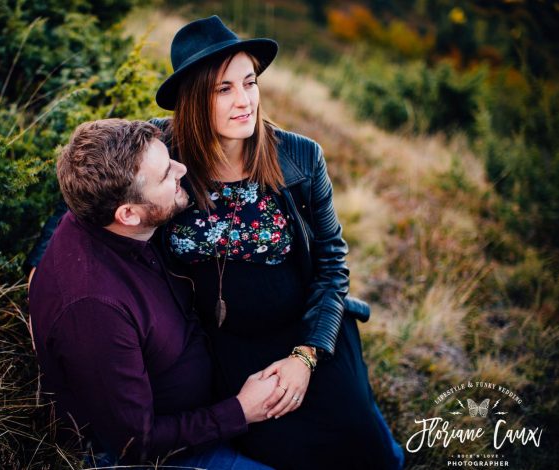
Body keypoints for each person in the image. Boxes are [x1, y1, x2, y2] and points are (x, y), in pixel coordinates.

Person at [28, 16, 405, 469]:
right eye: (223, 89)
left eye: (249, 82)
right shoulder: (161, 148)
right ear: (192, 101)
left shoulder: (299, 156)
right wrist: (39, 270)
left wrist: (305, 357)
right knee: (281, 449)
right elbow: (90, 198)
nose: (244, 101)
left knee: (365, 448)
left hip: (302, 331)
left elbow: (331, 262)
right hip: (222, 344)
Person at [28, 118, 279, 469]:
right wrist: (240, 411)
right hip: (173, 451)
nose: (182, 169)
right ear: (128, 214)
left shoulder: (103, 211)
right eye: (166, 174)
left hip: (208, 394)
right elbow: (136, 444)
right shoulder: (95, 311)